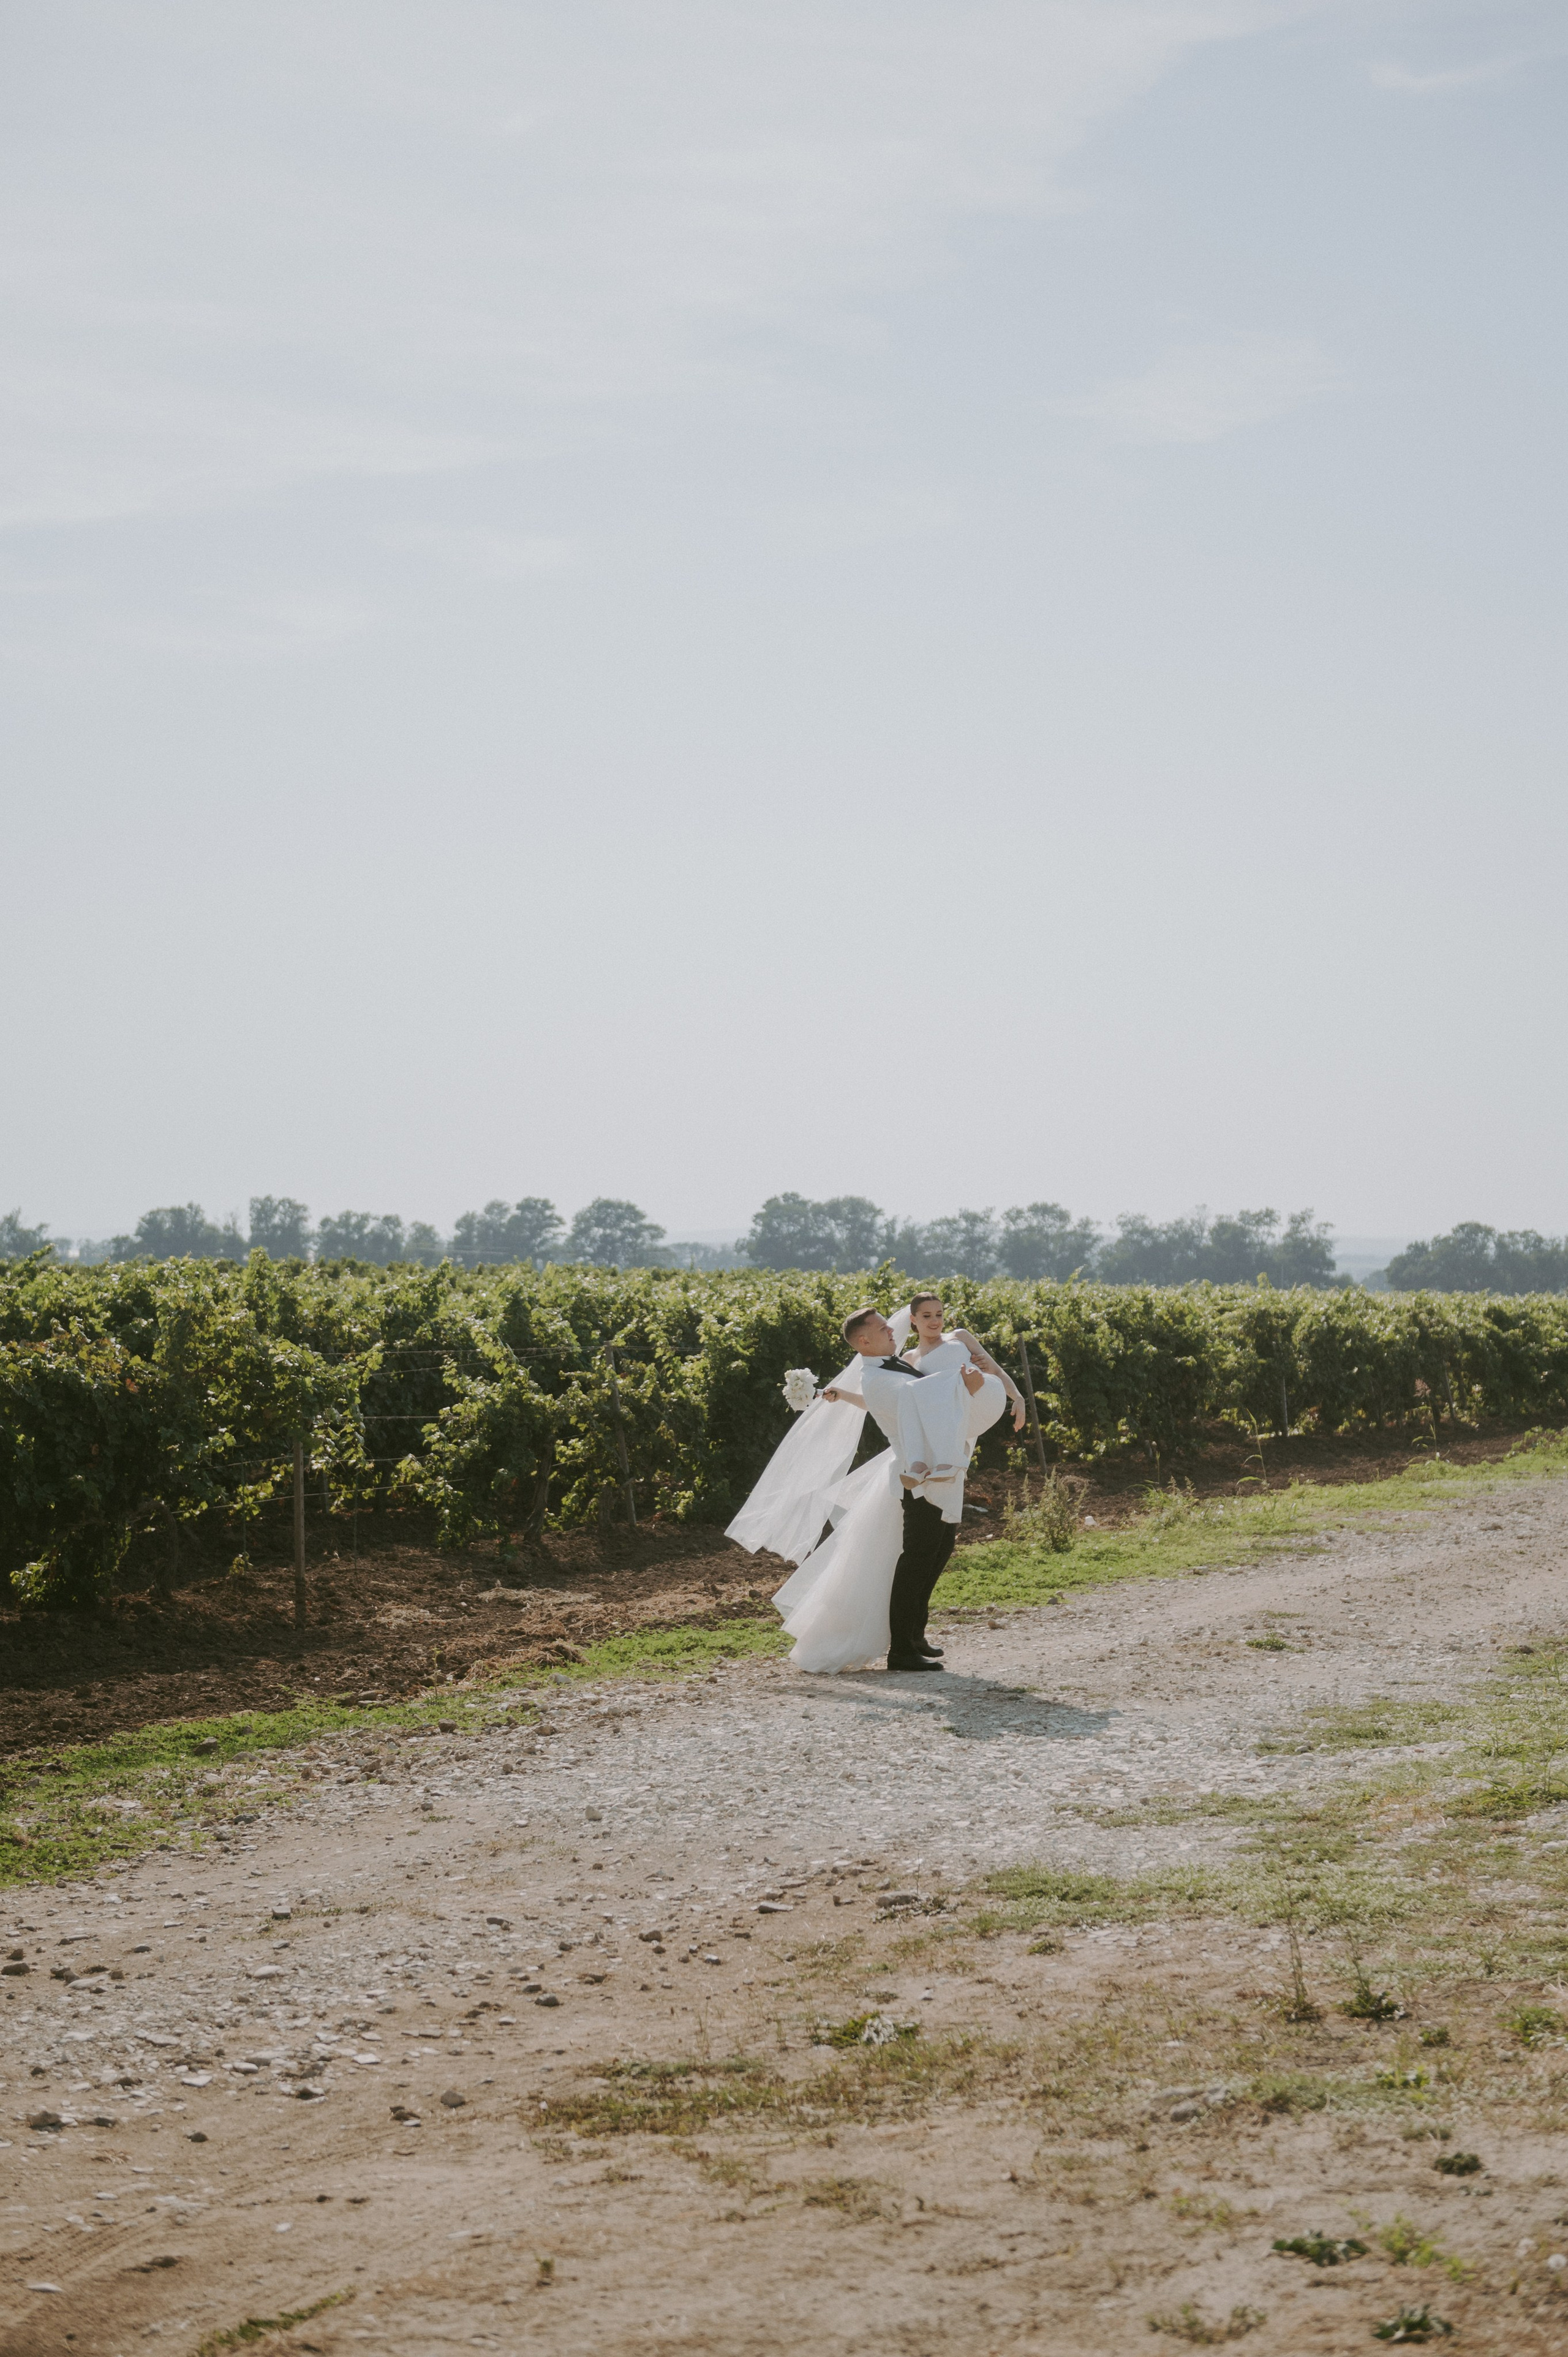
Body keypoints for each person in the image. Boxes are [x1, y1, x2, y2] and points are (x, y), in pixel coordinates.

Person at [725, 1296, 1011, 1674]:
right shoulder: (877, 1377)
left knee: (938, 1553)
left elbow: (908, 1397)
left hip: (936, 1473)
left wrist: (844, 1396)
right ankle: (902, 1651)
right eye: (882, 1328)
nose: (893, 1329)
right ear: (863, 1343)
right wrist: (964, 1380)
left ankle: (915, 1636)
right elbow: (918, 1399)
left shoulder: (887, 1368)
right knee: (917, 1559)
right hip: (918, 1478)